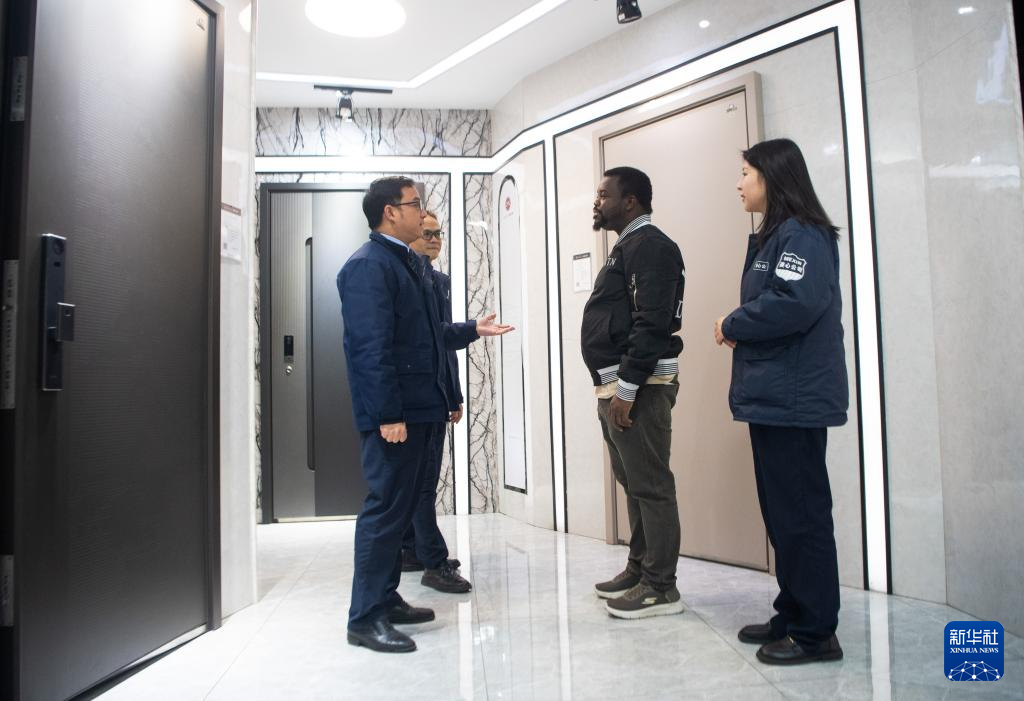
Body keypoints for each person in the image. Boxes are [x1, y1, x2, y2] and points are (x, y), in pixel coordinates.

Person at [336, 177, 508, 653]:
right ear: (390, 212)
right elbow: (370, 349)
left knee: (402, 512)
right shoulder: (368, 266)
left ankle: (386, 598)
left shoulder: (408, 265)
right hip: (399, 416)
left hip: (423, 408)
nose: (422, 212)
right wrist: (387, 414)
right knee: (385, 511)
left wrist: (472, 329)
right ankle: (365, 617)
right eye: (415, 205)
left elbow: (429, 337)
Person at [714, 138, 848, 665]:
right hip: (774, 397)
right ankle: (793, 612)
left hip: (794, 399)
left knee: (801, 516)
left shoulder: (802, 235)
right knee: (782, 515)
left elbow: (793, 303)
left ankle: (816, 633)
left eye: (746, 173)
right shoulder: (778, 236)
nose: (739, 183)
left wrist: (732, 323)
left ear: (772, 176)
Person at [581, 166, 687, 619]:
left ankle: (661, 587)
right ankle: (640, 568)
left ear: (630, 201)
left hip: (640, 387)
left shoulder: (652, 246)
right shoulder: (627, 246)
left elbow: (652, 322)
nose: (596, 202)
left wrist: (626, 388)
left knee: (652, 486)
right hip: (618, 386)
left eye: (603, 194)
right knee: (634, 483)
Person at [401, 210, 513, 592]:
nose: (434, 239)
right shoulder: (403, 278)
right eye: (427, 233)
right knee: (421, 485)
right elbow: (429, 338)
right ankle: (430, 558)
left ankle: (412, 549)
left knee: (423, 482)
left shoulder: (438, 281)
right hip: (412, 399)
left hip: (435, 394)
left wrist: (454, 393)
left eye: (439, 233)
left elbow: (443, 344)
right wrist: (473, 328)